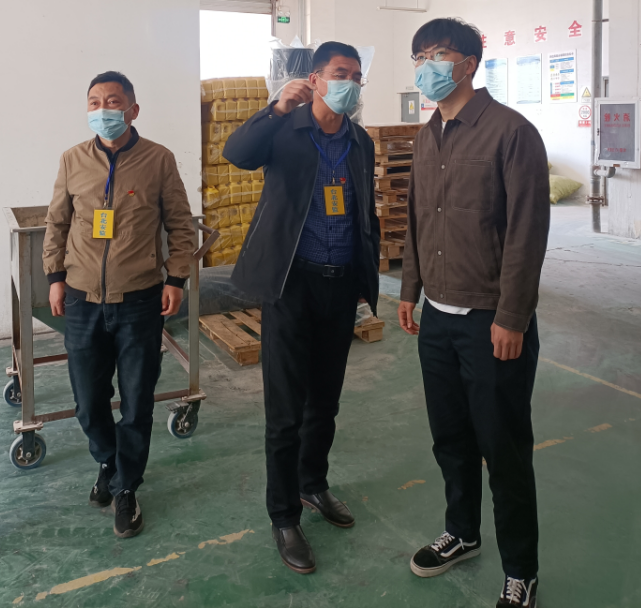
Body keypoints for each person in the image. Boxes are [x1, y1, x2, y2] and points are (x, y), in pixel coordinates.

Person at [397, 18, 550, 608]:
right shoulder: (427, 135)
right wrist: (409, 290)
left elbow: (526, 234)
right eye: (419, 57)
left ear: (468, 63)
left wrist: (512, 317)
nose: (426, 66)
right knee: (451, 438)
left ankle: (521, 571)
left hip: (491, 321)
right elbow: (417, 220)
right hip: (437, 318)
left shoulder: (512, 133)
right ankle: (461, 532)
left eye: (437, 54)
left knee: (503, 450)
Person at [223, 42, 380, 574]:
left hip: (340, 285)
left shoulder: (359, 141)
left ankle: (314, 484)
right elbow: (237, 152)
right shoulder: (284, 129)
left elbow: (364, 211)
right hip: (291, 285)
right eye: (340, 73)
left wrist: (365, 280)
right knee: (285, 411)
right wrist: (274, 109)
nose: (349, 83)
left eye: (356, 76)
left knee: (325, 402)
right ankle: (284, 514)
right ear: (314, 79)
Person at [42, 71, 195, 539]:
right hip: (82, 299)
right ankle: (108, 462)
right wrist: (54, 277)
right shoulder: (72, 159)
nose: (103, 109)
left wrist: (176, 278)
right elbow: (57, 223)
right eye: (94, 102)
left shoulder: (158, 159)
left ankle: (126, 486)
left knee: (136, 400)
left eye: (112, 101)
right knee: (89, 402)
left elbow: (181, 223)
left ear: (132, 109)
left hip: (139, 300)